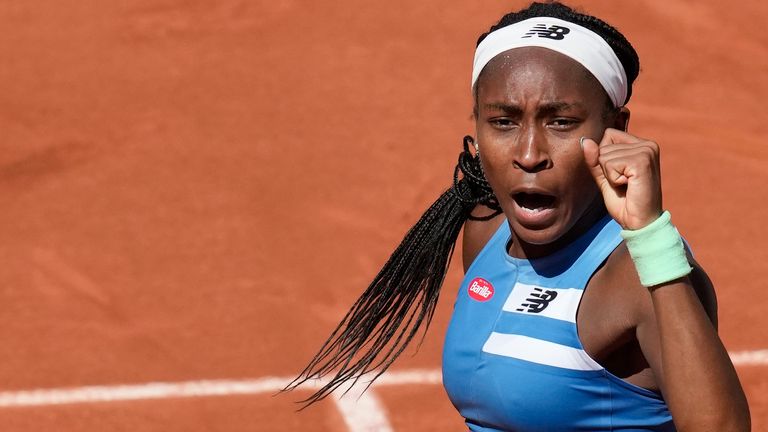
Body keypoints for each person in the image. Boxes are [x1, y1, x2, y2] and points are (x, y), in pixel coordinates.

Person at [286, 2, 750, 430]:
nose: (529, 154)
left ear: (616, 130)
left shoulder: (639, 274)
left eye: (561, 122)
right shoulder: (484, 228)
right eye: (503, 122)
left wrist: (650, 236)